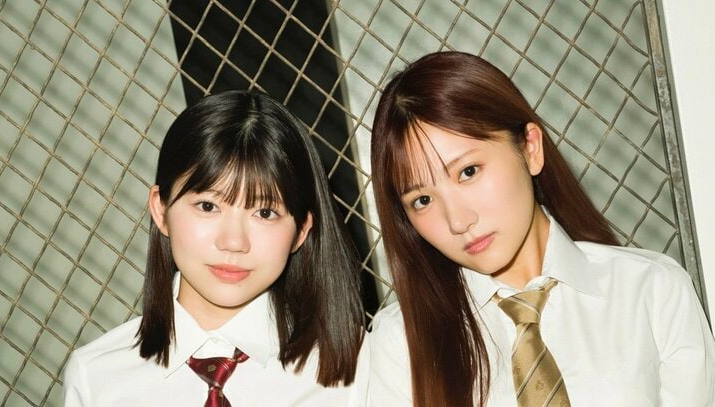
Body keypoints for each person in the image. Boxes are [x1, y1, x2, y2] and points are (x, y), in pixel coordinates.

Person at [367, 51, 715, 406]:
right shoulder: (400, 347)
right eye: (422, 200)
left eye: (468, 172)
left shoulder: (652, 291)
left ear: (530, 148)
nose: (458, 221)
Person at [63, 90, 366, 406]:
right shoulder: (97, 379)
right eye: (208, 206)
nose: (233, 242)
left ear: (301, 230)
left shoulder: (353, 364)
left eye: (264, 213)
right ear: (160, 210)